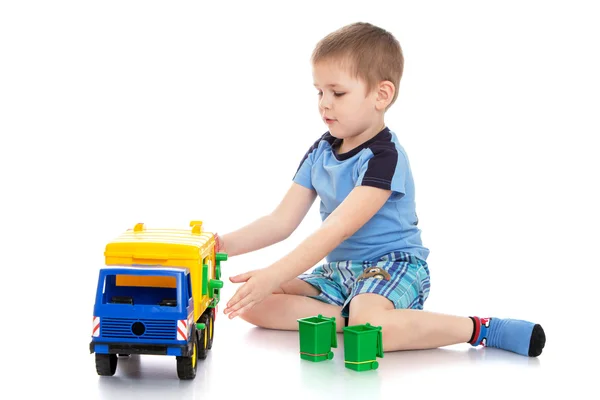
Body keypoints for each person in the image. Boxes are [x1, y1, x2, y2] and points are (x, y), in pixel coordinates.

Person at [216, 22, 545, 357]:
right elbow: (279, 221)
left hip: (391, 265)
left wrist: (275, 274)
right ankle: (354, 317)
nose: (324, 104)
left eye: (338, 93)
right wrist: (222, 245)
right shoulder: (321, 151)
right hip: (339, 273)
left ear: (381, 95)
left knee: (368, 327)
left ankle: (479, 328)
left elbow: (335, 230)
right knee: (250, 303)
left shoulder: (384, 158)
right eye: (320, 92)